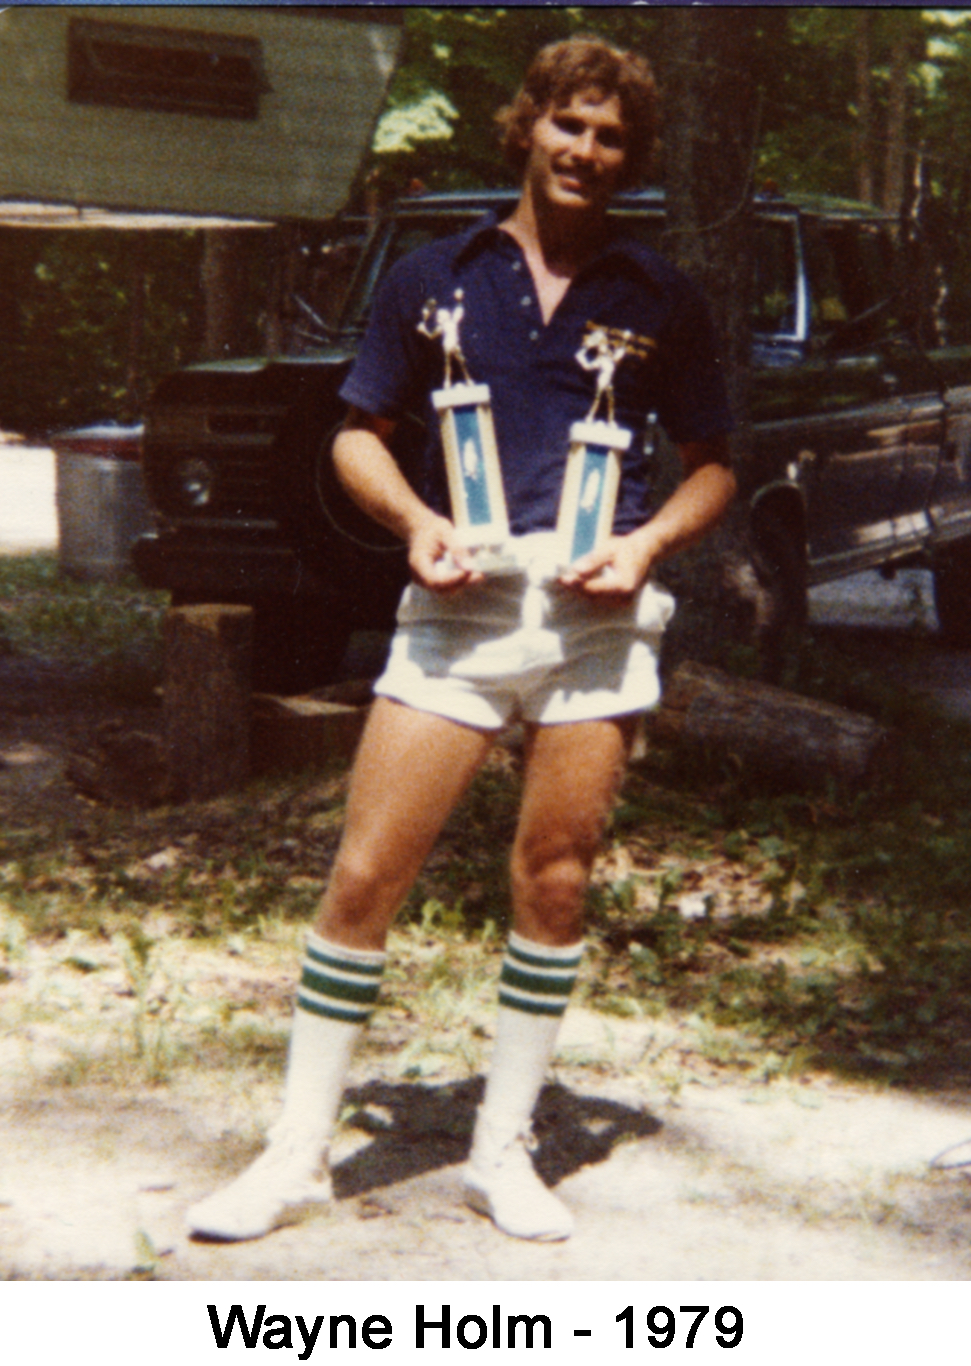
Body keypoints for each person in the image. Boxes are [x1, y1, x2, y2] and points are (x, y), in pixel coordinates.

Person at [187, 34, 736, 1245]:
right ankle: (293, 1154)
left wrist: (644, 548)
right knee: (365, 874)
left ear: (626, 158)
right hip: (459, 606)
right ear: (527, 126)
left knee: (554, 875)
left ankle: (503, 1145)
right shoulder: (432, 275)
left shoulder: (659, 295)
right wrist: (416, 520)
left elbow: (714, 468)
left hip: (592, 621)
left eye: (609, 137)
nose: (586, 150)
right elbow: (353, 434)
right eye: (569, 124)